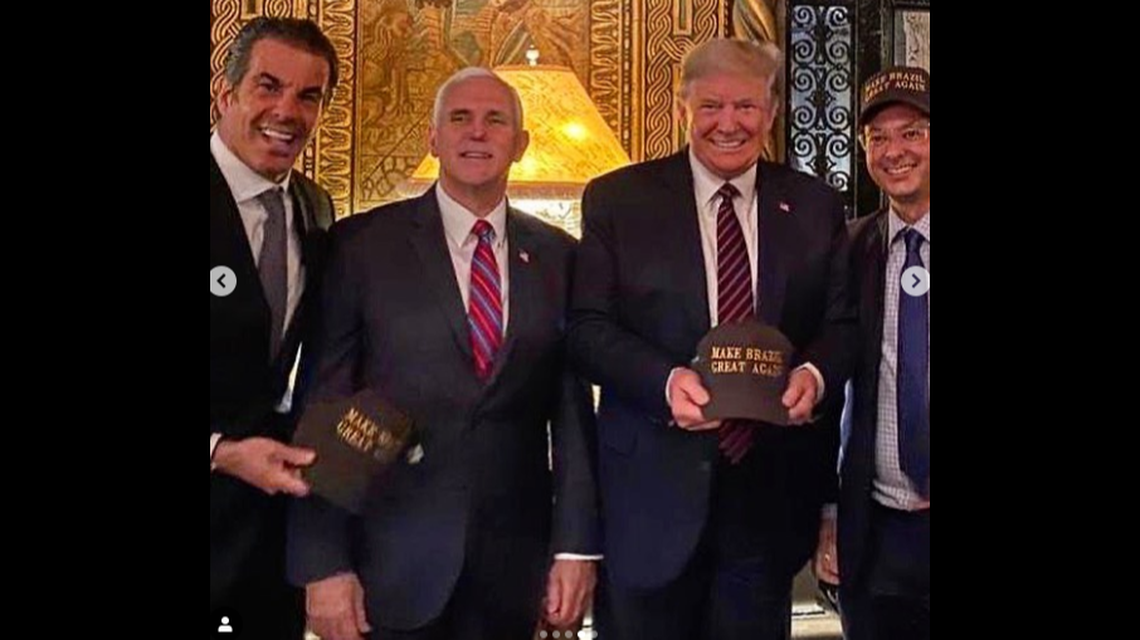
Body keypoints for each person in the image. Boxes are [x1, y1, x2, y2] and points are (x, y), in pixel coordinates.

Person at [287, 67, 600, 640]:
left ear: (521, 144)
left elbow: (572, 415)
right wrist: (322, 563)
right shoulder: (361, 247)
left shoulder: (561, 256)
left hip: (514, 571)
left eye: (495, 120)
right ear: (433, 139)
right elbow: (324, 405)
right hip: (389, 563)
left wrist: (575, 549)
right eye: (460, 118)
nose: (477, 132)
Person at [568, 38, 856, 640]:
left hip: (768, 501)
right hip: (649, 497)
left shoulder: (815, 206)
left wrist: (815, 375)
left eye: (746, 106)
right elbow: (588, 329)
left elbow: (841, 326)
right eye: (711, 106)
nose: (729, 123)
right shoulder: (618, 200)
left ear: (771, 113)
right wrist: (664, 382)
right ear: (683, 109)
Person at [209, 16, 339, 640]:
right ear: (225, 93)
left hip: (266, 540)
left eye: (308, 96)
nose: (287, 111)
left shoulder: (316, 209)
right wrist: (220, 452)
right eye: (268, 86)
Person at [813, 65, 930, 640]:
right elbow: (829, 390)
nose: (894, 151)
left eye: (912, 133)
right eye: (877, 137)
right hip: (876, 532)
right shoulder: (850, 248)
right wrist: (829, 512)